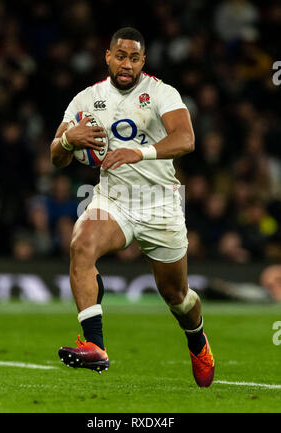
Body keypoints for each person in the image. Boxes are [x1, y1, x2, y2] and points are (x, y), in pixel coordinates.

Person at [50, 27, 215, 387]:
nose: (127, 64)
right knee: (81, 245)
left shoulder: (160, 93)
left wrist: (138, 152)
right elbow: (56, 157)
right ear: (107, 57)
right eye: (120, 56)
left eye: (134, 57)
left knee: (177, 297)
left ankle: (197, 339)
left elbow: (186, 139)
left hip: (159, 203)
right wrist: (66, 139)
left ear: (144, 61)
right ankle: (95, 344)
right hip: (114, 200)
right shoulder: (85, 99)